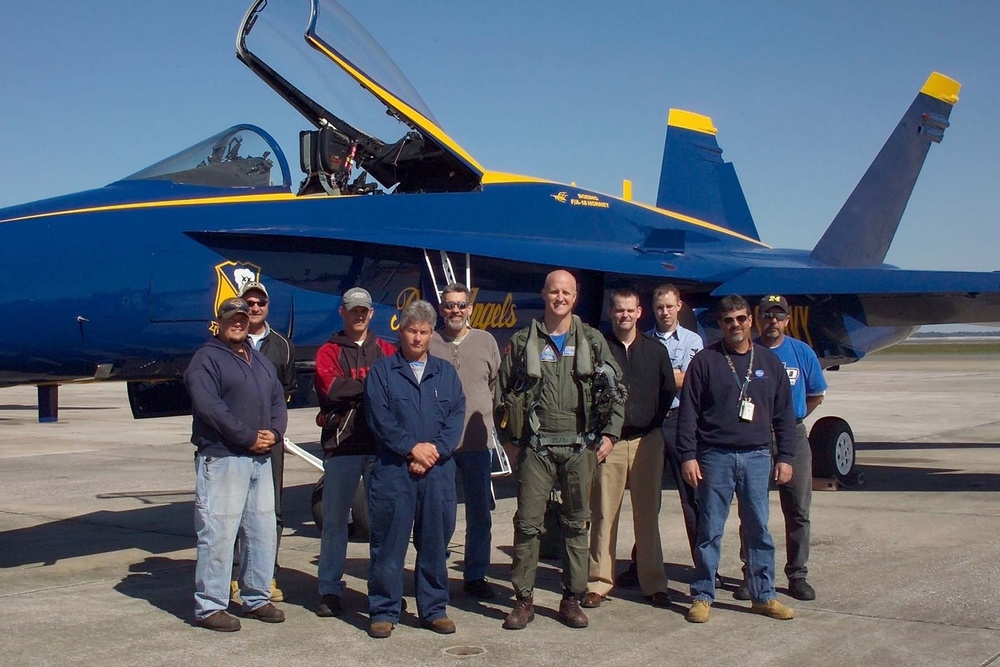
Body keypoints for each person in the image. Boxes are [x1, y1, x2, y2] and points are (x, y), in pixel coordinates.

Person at [497, 269, 625, 630]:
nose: (560, 298)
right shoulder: (523, 342)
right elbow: (501, 394)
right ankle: (524, 600)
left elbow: (616, 391)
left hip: (579, 446)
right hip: (536, 448)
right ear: (543, 294)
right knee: (527, 524)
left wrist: (611, 435)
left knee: (576, 525)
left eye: (566, 292)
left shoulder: (592, 340)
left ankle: (572, 598)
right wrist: (509, 442)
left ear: (576, 295)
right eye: (554, 292)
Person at [678, 295, 796, 624]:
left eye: (741, 318)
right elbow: (688, 414)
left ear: (751, 320)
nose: (736, 325)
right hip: (715, 456)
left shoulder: (770, 364)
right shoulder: (705, 361)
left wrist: (785, 457)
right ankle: (703, 594)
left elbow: (784, 416)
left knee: (758, 528)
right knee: (710, 528)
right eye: (729, 320)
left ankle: (763, 594)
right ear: (720, 323)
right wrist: (688, 455)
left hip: (757, 456)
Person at [364, 300, 466, 638]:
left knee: (435, 544)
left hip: (437, 474)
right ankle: (383, 609)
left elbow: (455, 417)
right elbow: (380, 420)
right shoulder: (382, 372)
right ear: (401, 331)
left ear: (431, 334)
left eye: (424, 332)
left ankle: (434, 608)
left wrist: (433, 452)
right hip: (394, 471)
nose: (417, 338)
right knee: (388, 545)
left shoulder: (446, 373)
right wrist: (412, 449)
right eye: (412, 330)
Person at [184, 297, 288, 632]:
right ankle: (210, 605)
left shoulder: (259, 360)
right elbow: (209, 407)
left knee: (261, 531)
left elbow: (277, 399)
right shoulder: (206, 359)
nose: (239, 322)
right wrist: (246, 437)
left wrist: (274, 432)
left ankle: (256, 597)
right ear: (220, 321)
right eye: (232, 318)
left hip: (259, 459)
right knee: (219, 532)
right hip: (224, 457)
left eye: (243, 317)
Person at [583, 288, 675, 609]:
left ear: (639, 313)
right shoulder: (600, 349)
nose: (624, 315)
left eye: (630, 310)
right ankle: (598, 582)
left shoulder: (655, 350)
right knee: (604, 513)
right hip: (610, 442)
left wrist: (652, 424)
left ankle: (653, 583)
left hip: (647, 441)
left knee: (647, 514)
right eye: (619, 310)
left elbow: (668, 390)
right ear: (611, 313)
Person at [732, 294, 827, 602]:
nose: (772, 321)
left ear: (787, 320)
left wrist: (791, 423)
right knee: (752, 510)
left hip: (793, 436)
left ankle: (797, 574)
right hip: (755, 436)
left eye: (778, 316)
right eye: (767, 316)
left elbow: (816, 395)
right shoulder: (750, 352)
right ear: (757, 319)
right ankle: (753, 573)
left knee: (798, 508)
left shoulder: (801, 353)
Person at [314, 287, 396, 618]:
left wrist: (360, 390)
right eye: (353, 310)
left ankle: (381, 590)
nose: (359, 315)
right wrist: (374, 387)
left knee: (382, 525)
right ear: (343, 313)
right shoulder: (328, 351)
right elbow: (331, 388)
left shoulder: (387, 349)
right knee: (334, 522)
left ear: (371, 313)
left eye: (364, 310)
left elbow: (398, 389)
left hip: (380, 449)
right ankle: (329, 588)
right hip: (342, 448)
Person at [617, 283, 704, 587]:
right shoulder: (645, 340)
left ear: (679, 306)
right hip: (652, 423)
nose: (665, 312)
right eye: (659, 307)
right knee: (647, 498)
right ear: (651, 311)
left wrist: (664, 376)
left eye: (670, 306)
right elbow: (652, 379)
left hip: (682, 422)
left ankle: (705, 566)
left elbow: (690, 379)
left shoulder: (693, 340)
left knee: (692, 498)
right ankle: (640, 563)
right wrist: (671, 375)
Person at [428, 283, 502, 600]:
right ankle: (434, 574)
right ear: (441, 308)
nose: (455, 311)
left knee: (479, 513)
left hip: (476, 444)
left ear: (469, 308)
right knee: (439, 514)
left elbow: (496, 387)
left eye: (461, 305)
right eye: (449, 305)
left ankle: (475, 575)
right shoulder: (429, 342)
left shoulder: (485, 341)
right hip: (440, 446)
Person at [230, 280, 296, 603]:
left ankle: (267, 574)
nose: (255, 308)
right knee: (231, 510)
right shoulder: (227, 342)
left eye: (260, 303)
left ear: (268, 306)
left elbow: (284, 396)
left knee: (273, 511)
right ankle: (231, 576)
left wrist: (275, 432)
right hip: (233, 440)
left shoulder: (282, 346)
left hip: (270, 441)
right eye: (250, 302)